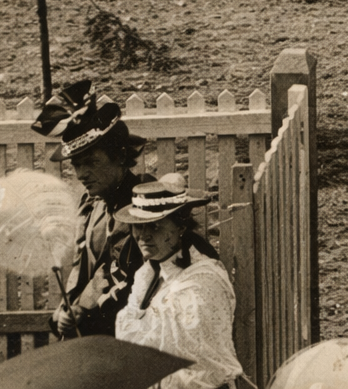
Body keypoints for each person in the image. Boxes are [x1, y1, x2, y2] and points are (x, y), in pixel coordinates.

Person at [31, 80, 148, 339]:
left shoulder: (142, 204)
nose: (82, 174)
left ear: (120, 156)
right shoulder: (93, 203)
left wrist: (87, 319)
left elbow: (138, 283)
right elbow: (81, 271)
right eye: (77, 165)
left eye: (92, 162)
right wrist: (66, 310)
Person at [114, 174, 243, 389]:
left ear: (180, 228)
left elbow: (199, 370)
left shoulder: (201, 283)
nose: (144, 236)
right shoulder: (147, 274)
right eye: (138, 226)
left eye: (155, 226)